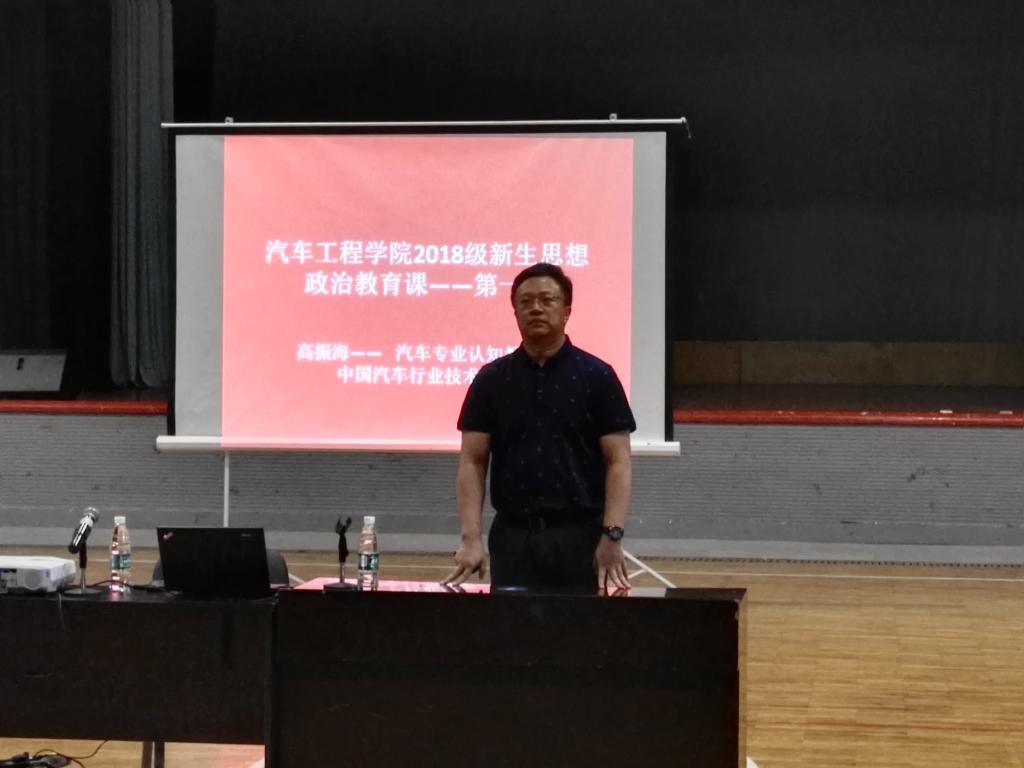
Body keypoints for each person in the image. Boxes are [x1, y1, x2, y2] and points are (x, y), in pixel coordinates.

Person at [443, 263, 636, 592]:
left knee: (580, 625)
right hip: (513, 538)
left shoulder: (597, 377)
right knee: (510, 625)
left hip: (581, 538)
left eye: (547, 300)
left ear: (567, 310)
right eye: (525, 301)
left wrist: (612, 535)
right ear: (515, 312)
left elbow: (618, 462)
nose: (535, 308)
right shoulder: (492, 379)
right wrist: (471, 538)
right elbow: (472, 462)